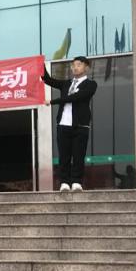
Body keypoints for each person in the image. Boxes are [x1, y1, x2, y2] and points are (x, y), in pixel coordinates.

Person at [43, 56, 96, 192]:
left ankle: (77, 182)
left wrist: (53, 101)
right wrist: (40, 65)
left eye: (79, 65)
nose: (75, 67)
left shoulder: (90, 84)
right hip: (63, 125)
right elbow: (48, 80)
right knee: (64, 156)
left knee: (78, 156)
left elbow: (76, 97)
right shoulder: (66, 84)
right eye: (73, 65)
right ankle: (64, 182)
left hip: (80, 126)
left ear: (86, 67)